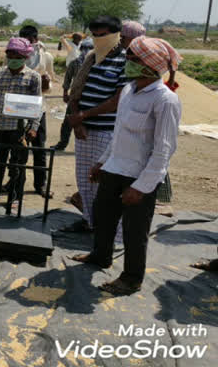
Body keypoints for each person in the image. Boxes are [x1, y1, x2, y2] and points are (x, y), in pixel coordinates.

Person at [72, 37, 182, 296]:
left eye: (133, 59)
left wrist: (142, 187)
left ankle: (131, 278)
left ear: (150, 65)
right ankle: (100, 257)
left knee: (135, 232)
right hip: (114, 168)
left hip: (138, 177)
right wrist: (102, 161)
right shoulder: (129, 91)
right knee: (103, 217)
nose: (127, 63)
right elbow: (118, 133)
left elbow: (164, 149)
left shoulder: (165, 100)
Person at [63, 16, 128, 233]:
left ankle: (109, 230)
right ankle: (91, 222)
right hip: (84, 131)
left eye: (104, 35)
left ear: (117, 35)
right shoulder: (90, 58)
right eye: (95, 35)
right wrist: (77, 120)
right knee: (84, 179)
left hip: (106, 132)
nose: (99, 39)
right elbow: (75, 92)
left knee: (104, 180)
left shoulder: (125, 61)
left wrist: (83, 115)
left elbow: (117, 101)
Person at [0, 38, 42, 206]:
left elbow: (37, 103)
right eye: (10, 54)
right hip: (0, 126)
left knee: (17, 165)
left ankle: (15, 196)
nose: (13, 58)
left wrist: (34, 127)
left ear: (25, 57)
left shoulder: (33, 77)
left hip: (20, 129)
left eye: (17, 55)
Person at [18, 25, 56, 198]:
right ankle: (14, 182)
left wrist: (46, 84)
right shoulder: (15, 55)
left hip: (38, 107)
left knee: (39, 148)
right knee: (17, 147)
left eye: (31, 41)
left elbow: (51, 79)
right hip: (18, 106)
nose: (29, 44)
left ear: (36, 39)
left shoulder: (46, 56)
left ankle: (41, 184)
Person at [52, 38, 93, 151]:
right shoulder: (75, 63)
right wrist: (65, 92)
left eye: (89, 48)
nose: (86, 51)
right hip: (75, 97)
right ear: (80, 49)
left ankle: (86, 146)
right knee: (68, 122)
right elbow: (68, 78)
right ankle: (62, 144)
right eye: (84, 48)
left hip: (91, 99)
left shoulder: (97, 63)